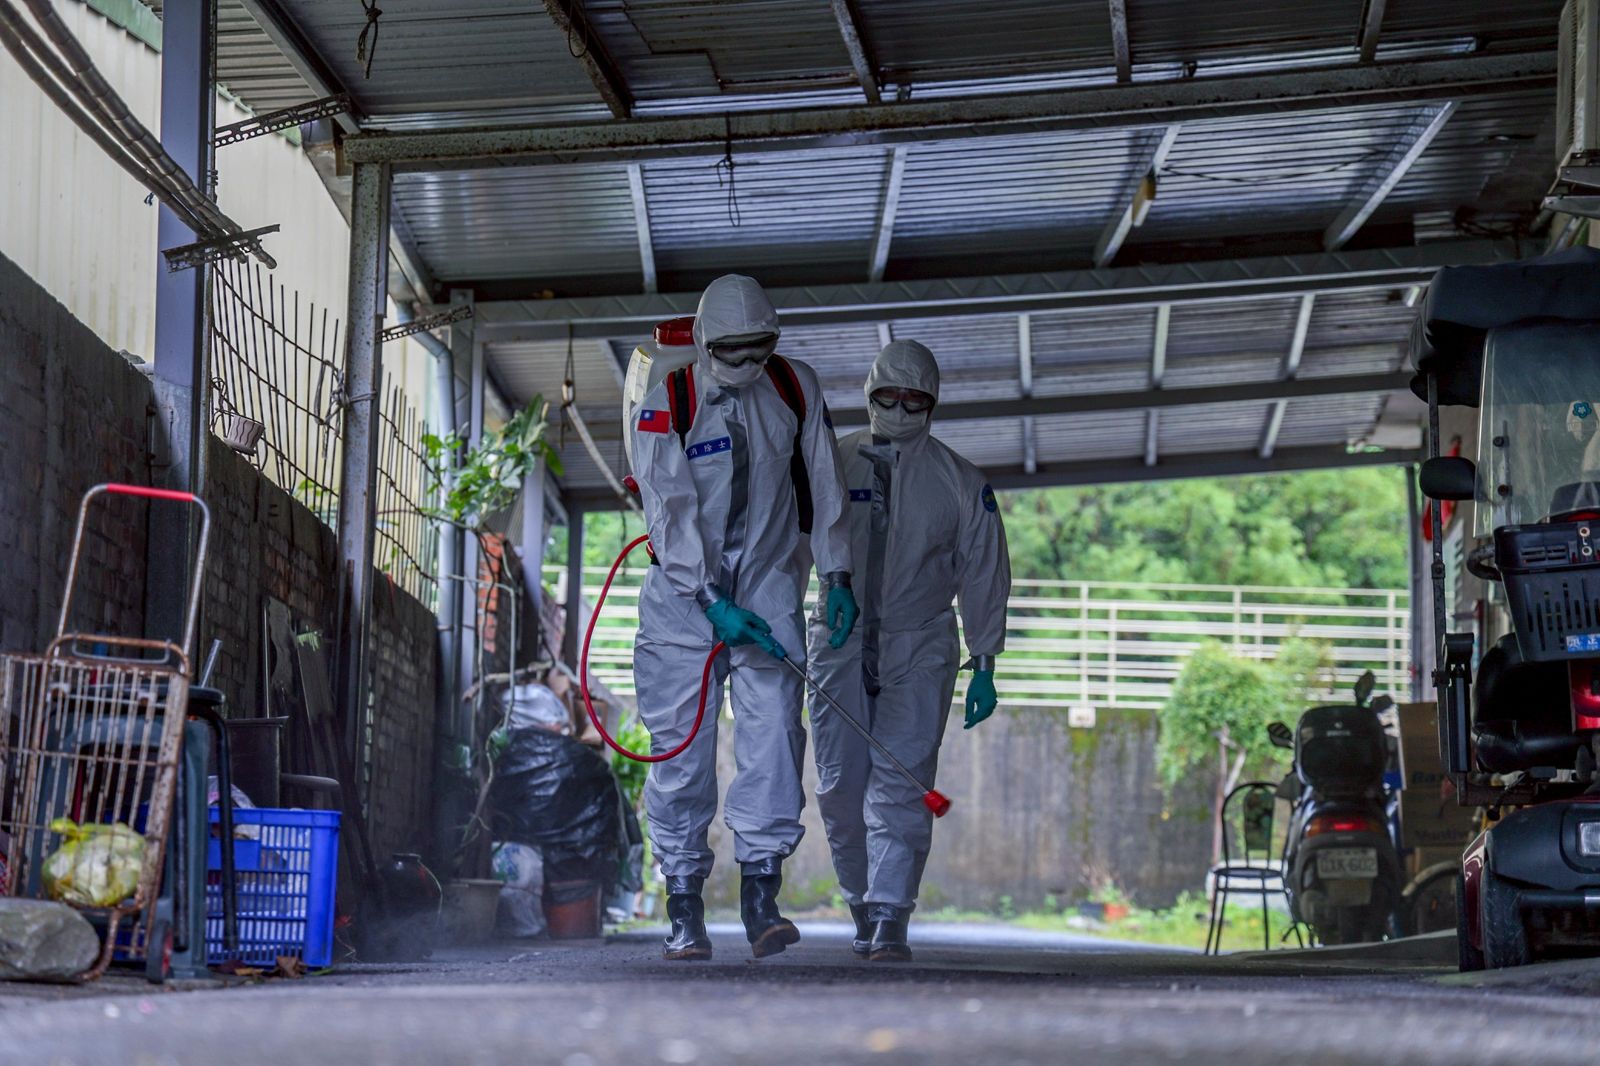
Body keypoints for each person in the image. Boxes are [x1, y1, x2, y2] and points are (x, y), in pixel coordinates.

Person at [629, 274, 858, 961]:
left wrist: (837, 572)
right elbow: (666, 510)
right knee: (680, 752)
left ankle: (761, 897)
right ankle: (684, 905)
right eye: (734, 352)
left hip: (767, 582)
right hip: (681, 598)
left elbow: (824, 479)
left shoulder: (794, 387)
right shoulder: (667, 397)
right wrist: (707, 600)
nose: (750, 364)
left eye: (761, 348)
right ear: (702, 342)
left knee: (775, 740)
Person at [805, 338, 1010, 962]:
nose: (899, 407)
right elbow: (783, 546)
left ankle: (891, 913)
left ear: (933, 402)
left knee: (902, 778)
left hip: (919, 641)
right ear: (869, 395)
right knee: (841, 784)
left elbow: (985, 570)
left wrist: (985, 659)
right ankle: (860, 903)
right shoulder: (830, 465)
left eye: (914, 397)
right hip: (837, 638)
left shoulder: (960, 482)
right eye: (887, 395)